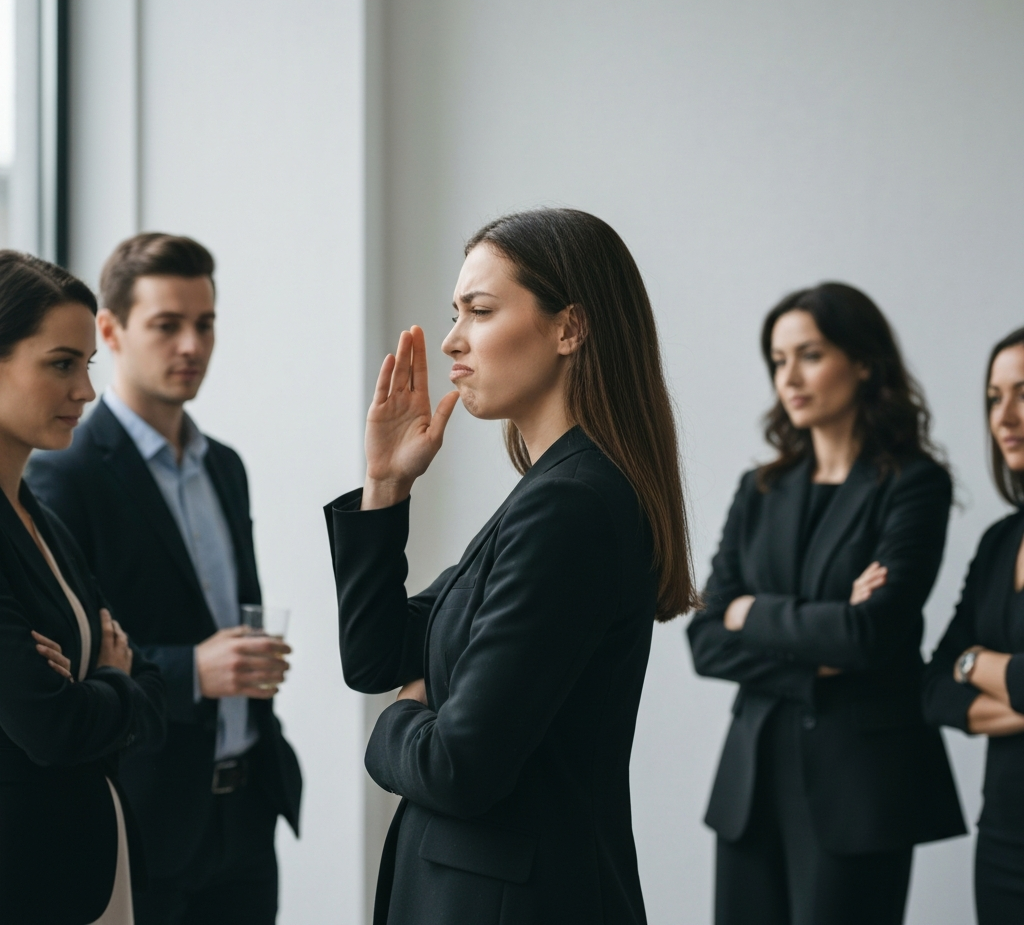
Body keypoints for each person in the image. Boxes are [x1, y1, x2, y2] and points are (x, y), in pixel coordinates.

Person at [324, 208, 696, 925]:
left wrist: (396, 721)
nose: (454, 340)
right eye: (455, 312)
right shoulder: (550, 493)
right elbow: (377, 658)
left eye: (481, 311)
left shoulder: (571, 507)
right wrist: (385, 487)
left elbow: (459, 768)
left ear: (569, 328)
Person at [28, 234, 301, 925]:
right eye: (167, 325)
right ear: (112, 331)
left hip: (246, 811)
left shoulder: (224, 466)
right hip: (146, 812)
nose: (192, 345)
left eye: (205, 324)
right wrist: (193, 672)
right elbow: (76, 656)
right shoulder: (65, 471)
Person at [687, 282, 965, 925]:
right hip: (752, 787)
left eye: (809, 355)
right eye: (779, 361)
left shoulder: (914, 484)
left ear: (863, 362)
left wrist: (749, 613)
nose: (790, 377)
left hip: (862, 787)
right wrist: (815, 651)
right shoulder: (760, 489)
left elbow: (870, 636)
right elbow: (705, 641)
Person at [0, 251, 165, 925]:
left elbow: (148, 683)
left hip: (88, 873)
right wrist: (112, 681)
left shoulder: (37, 513)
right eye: (61, 364)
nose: (87, 392)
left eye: (87, 367)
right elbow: (52, 727)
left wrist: (98, 685)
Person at [923, 326, 1024, 924]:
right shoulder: (998, 543)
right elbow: (934, 686)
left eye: (1023, 393)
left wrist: (978, 667)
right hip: (1004, 841)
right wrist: (968, 664)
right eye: (993, 397)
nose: (1005, 415)